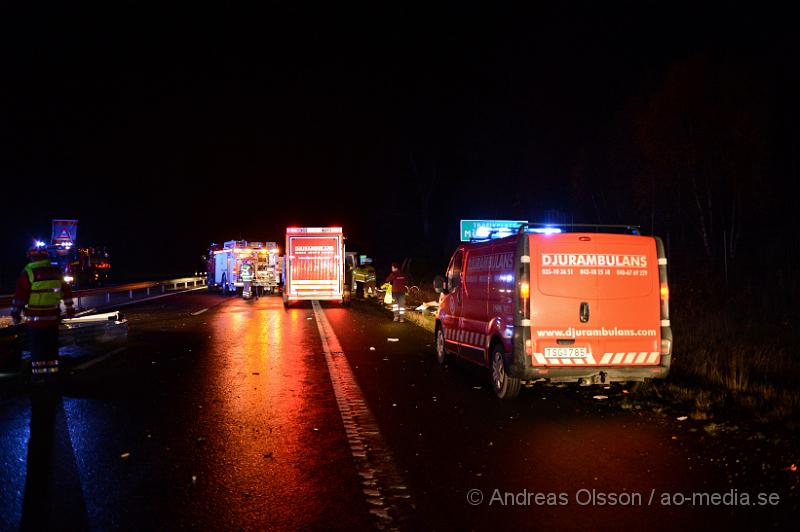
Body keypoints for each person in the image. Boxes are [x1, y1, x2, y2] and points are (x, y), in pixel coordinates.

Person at [10, 246, 74, 382]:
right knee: (51, 347)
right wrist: (69, 308)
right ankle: (53, 375)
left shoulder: (28, 271)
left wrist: (15, 314)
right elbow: (66, 291)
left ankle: (39, 377)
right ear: (47, 256)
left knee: (38, 348)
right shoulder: (56, 271)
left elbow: (20, 296)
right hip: (53, 319)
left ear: (31, 257)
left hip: (35, 321)